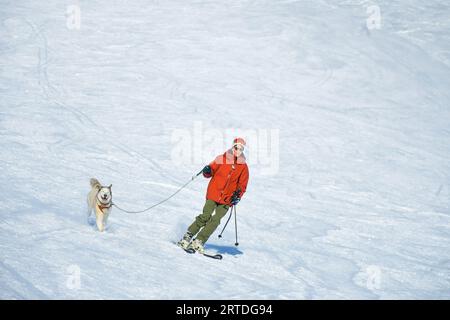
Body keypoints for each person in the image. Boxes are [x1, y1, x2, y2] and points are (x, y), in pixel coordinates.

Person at [177, 137, 250, 253]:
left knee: (216, 220)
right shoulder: (222, 158)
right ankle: (187, 236)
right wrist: (207, 171)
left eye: (241, 149)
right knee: (205, 216)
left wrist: (237, 196)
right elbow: (211, 170)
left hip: (227, 199)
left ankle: (199, 240)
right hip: (213, 193)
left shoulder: (243, 167)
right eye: (236, 147)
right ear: (233, 146)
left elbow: (242, 185)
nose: (238, 150)